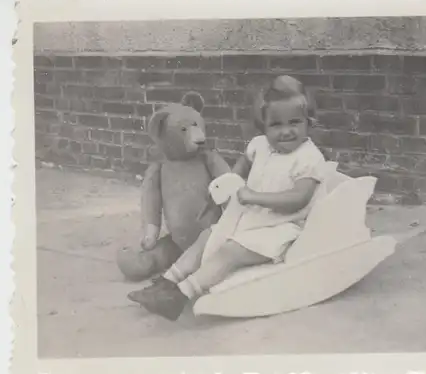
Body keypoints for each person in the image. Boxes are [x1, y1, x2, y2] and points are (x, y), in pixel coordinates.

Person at [127, 75, 326, 320]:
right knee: (207, 237)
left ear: (309, 122)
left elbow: (299, 198)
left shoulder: (309, 158)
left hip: (282, 228)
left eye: (295, 122)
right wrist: (230, 181)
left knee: (230, 251)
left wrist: (254, 196)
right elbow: (245, 162)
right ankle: (167, 282)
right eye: (276, 125)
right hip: (251, 218)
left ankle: (181, 295)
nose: (286, 131)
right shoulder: (260, 145)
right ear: (263, 125)